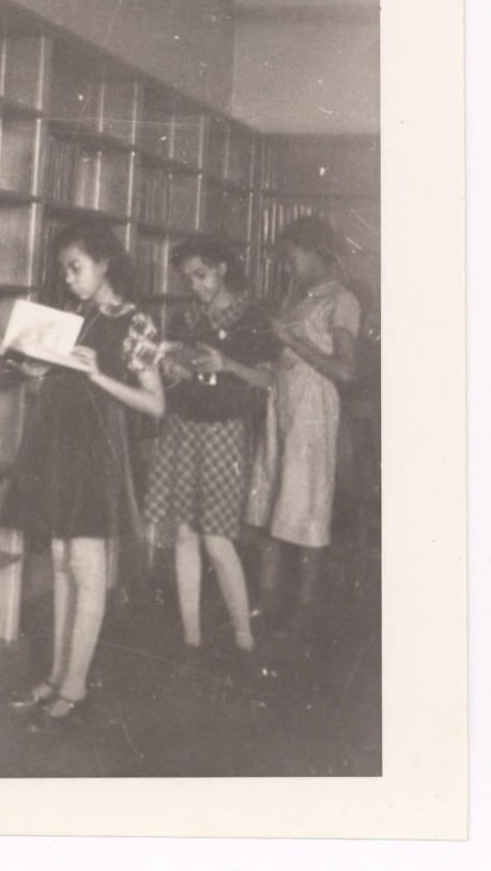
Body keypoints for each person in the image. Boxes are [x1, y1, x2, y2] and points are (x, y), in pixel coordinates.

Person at [0, 220, 164, 726]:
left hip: (96, 454)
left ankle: (74, 686)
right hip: (56, 449)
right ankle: (56, 676)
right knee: (62, 564)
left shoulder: (136, 323)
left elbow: (155, 405)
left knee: (88, 572)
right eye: (63, 270)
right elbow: (51, 383)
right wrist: (31, 371)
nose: (68, 279)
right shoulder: (72, 316)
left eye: (76, 268)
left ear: (105, 263)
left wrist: (98, 375)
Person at [143, 236, 277, 659]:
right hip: (184, 426)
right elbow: (174, 368)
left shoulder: (252, 318)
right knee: (184, 532)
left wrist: (227, 365)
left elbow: (269, 380)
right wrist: (171, 366)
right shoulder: (186, 317)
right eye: (189, 279)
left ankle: (243, 636)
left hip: (224, 430)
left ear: (221, 268)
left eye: (202, 276)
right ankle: (191, 636)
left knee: (217, 537)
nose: (197, 286)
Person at [246, 216, 360, 654]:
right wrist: (271, 364)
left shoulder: (341, 300)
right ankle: (268, 600)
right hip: (282, 403)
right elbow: (286, 354)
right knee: (273, 500)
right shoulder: (298, 296)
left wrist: (290, 343)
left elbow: (347, 372)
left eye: (290, 253)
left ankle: (306, 611)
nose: (286, 263)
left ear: (311, 249)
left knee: (308, 506)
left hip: (313, 410)